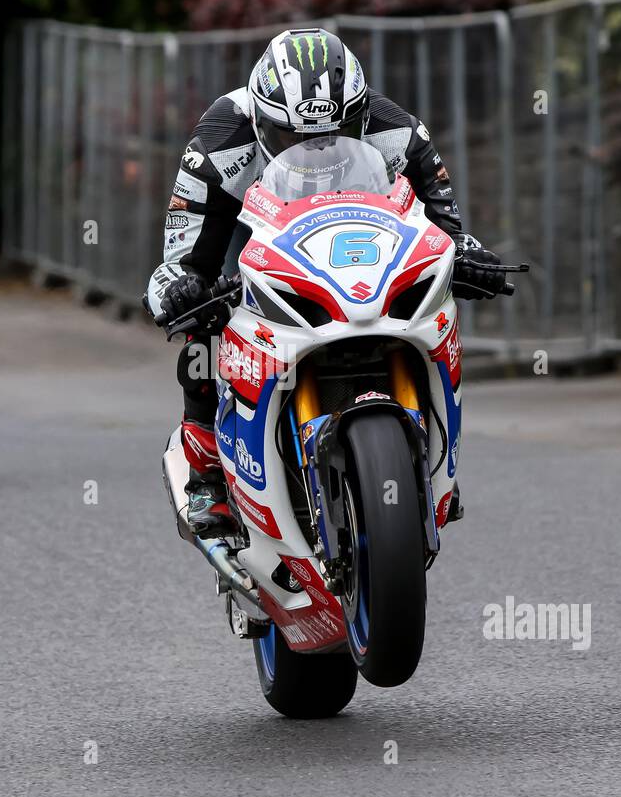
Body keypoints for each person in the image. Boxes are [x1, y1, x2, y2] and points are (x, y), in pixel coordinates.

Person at [145, 27, 507, 538]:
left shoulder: (396, 130)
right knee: (203, 307)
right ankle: (204, 457)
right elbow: (183, 255)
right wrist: (181, 286)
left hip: (358, 242)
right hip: (251, 234)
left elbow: (444, 227)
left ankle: (433, 462)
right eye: (294, 138)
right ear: (263, 120)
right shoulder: (219, 140)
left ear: (358, 114)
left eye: (334, 137)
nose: (316, 151)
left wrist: (467, 255)